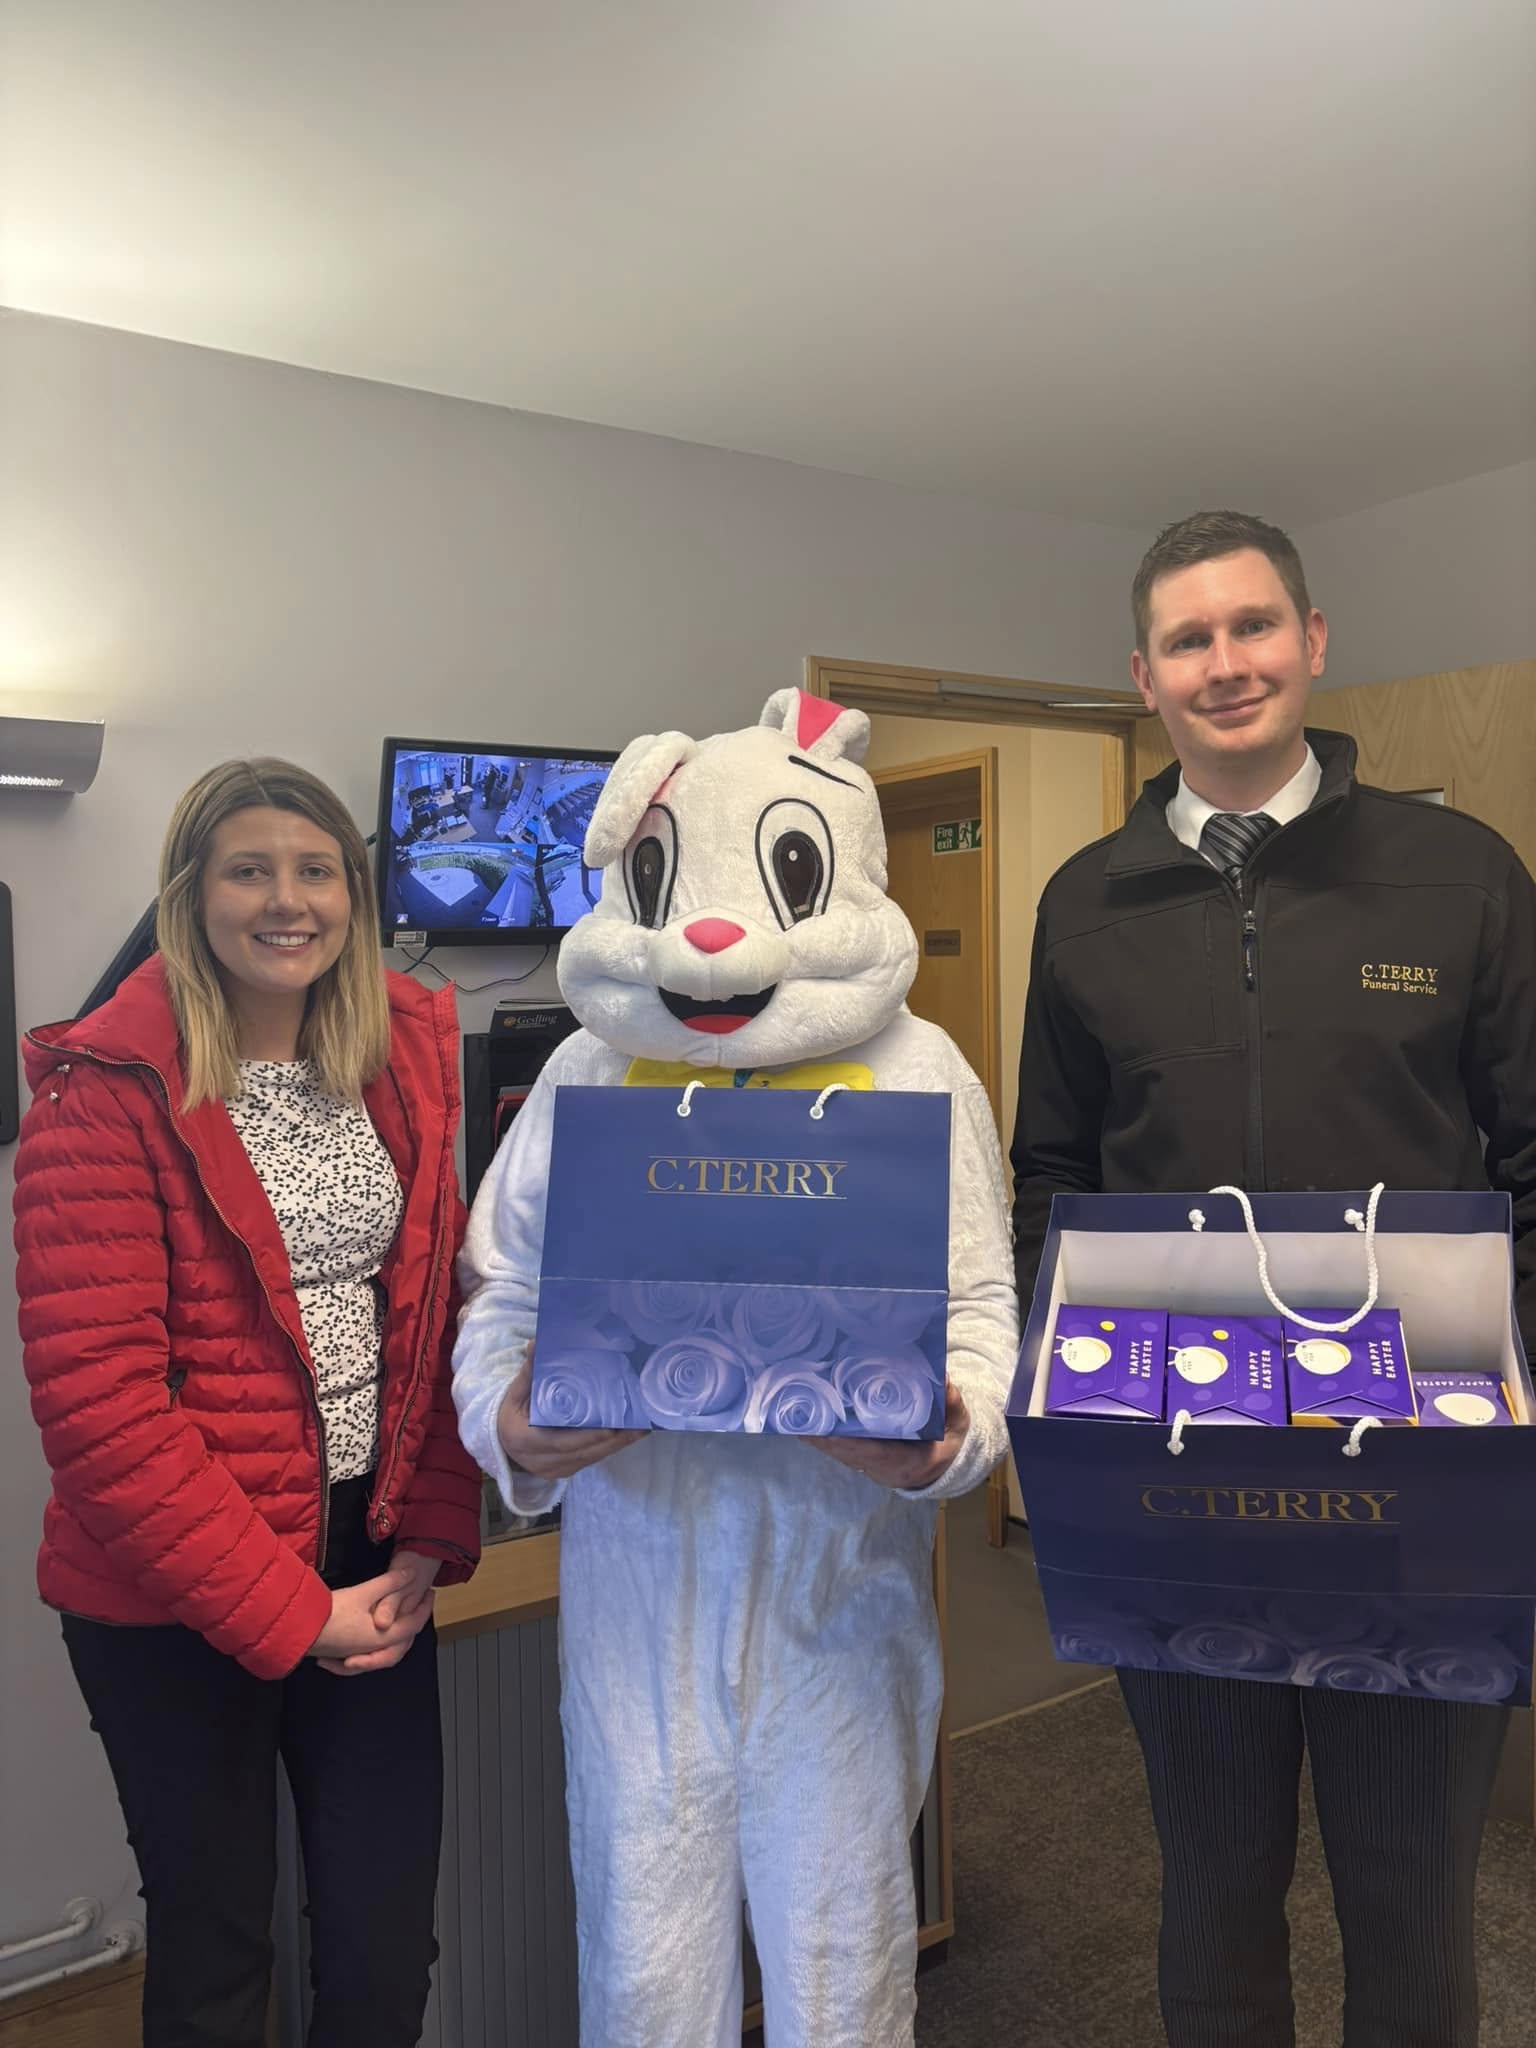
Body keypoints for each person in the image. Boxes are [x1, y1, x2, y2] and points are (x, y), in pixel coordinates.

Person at [1010, 509, 1536, 2048]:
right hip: (1178, 1473)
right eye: (1188, 639)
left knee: (1411, 1896)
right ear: (1145, 676)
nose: (1224, 662)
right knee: (1214, 1884)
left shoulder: (1460, 875)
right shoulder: (1085, 902)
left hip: (1424, 1473)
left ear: (1311, 641)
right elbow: (1052, 1176)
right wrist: (1071, 1410)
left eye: (1252, 626)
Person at [453, 688, 1018, 2047]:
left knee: (845, 1973)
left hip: (842, 1598)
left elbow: (984, 1303)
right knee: (644, 1977)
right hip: (635, 1604)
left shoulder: (919, 1070)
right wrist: (507, 1422)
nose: (713, 944)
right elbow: (503, 1288)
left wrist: (954, 1439)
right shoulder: (589, 1072)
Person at [15, 759, 482, 2048]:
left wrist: (428, 1539)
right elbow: (102, 1412)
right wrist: (294, 1613)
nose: (289, 900)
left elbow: (431, 1312)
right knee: (218, 1956)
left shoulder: (397, 1063)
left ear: (353, 896)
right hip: (172, 1592)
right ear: (191, 895)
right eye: (250, 870)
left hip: (369, 1560)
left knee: (385, 1949)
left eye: (316, 870)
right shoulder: (103, 1092)